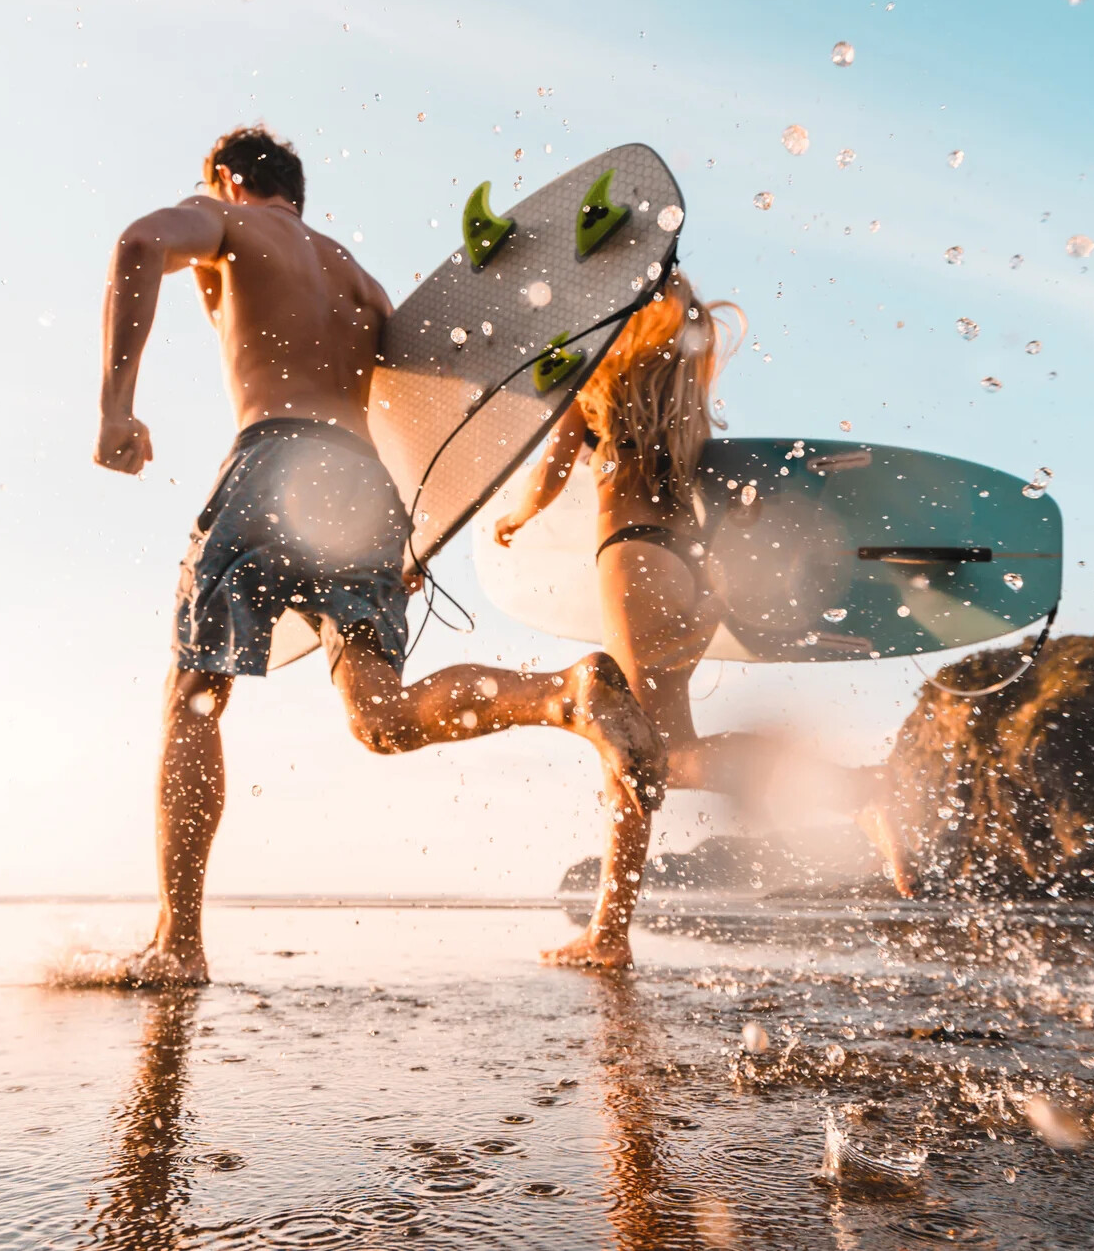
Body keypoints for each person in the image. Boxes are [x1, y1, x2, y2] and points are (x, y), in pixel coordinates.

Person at [91, 124, 666, 985]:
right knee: (380, 716)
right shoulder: (361, 282)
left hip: (274, 459)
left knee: (195, 696)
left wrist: (115, 406)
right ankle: (564, 696)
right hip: (366, 489)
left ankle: (179, 942)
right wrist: (414, 534)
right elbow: (418, 416)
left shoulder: (229, 222)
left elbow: (138, 242)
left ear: (222, 179)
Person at [490, 273, 916, 894]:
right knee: (637, 751)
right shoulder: (680, 405)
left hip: (634, 562)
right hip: (688, 568)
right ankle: (611, 928)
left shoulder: (595, 391)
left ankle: (859, 791)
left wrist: (514, 517)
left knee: (649, 754)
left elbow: (547, 476)